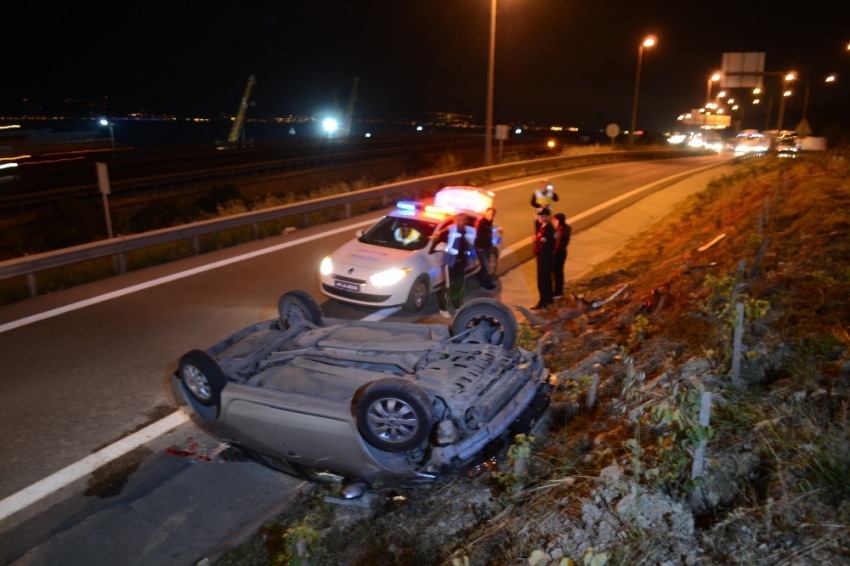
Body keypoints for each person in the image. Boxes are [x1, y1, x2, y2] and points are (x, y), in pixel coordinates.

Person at [438, 214, 476, 318]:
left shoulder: (469, 231)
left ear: (466, 221)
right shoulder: (450, 230)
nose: (460, 221)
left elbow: (471, 245)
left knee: (459, 286)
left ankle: (457, 305)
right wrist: (443, 246)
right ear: (454, 220)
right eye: (458, 219)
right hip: (450, 262)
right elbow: (439, 239)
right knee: (448, 286)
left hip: (461, 263)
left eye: (463, 219)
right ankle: (443, 308)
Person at [532, 207, 556, 310]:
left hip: (545, 258)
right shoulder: (544, 227)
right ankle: (548, 299)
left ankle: (544, 301)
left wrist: (537, 241)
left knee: (543, 280)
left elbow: (545, 246)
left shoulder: (548, 230)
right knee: (547, 280)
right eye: (539, 216)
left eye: (542, 216)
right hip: (546, 258)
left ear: (548, 217)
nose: (540, 218)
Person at [474, 207, 497, 291]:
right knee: (486, 266)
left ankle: (485, 280)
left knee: (486, 265)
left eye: (492, 215)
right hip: (482, 247)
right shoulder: (482, 223)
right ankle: (484, 284)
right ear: (486, 213)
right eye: (490, 214)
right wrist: (480, 246)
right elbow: (479, 235)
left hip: (487, 246)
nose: (491, 216)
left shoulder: (489, 222)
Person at [552, 212, 572, 299]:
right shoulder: (561, 229)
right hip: (560, 252)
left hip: (559, 254)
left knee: (557, 273)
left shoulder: (561, 231)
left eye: (555, 220)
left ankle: (558, 291)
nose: (554, 222)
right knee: (557, 272)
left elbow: (558, 243)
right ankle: (558, 290)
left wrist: (553, 252)